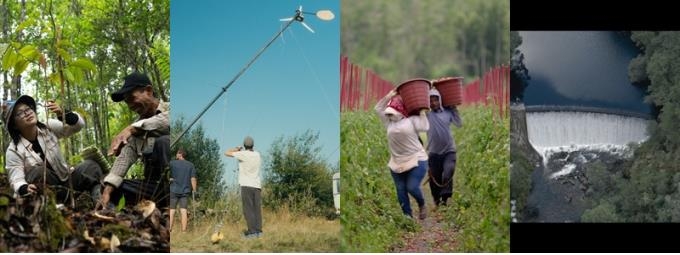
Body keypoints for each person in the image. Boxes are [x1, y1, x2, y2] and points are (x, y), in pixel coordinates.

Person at [4, 95, 103, 203]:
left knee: (91, 166)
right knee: (38, 171)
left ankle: (100, 202)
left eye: (28, 109)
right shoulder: (13, 150)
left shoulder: (48, 127)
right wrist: (24, 188)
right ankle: (54, 208)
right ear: (14, 125)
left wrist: (63, 113)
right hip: (46, 192)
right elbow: (16, 179)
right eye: (20, 113)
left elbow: (78, 126)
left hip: (67, 181)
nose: (27, 113)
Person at [98, 72, 170, 209]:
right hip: (154, 187)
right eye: (127, 102)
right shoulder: (135, 131)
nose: (130, 105)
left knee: (163, 142)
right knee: (111, 187)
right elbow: (123, 159)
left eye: (132, 98)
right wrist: (108, 189)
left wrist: (132, 129)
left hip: (177, 183)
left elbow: (167, 121)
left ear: (148, 91)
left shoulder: (170, 109)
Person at [375, 89, 430, 220]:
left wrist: (422, 113)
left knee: (411, 187)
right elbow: (378, 108)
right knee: (400, 190)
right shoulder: (388, 122)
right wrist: (389, 95)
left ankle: (422, 204)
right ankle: (407, 218)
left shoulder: (412, 120)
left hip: (417, 159)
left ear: (401, 111)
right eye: (389, 113)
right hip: (397, 161)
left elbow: (425, 127)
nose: (390, 115)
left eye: (393, 113)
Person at [426, 87, 462, 207]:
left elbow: (459, 124)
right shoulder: (427, 115)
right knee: (434, 179)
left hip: (449, 151)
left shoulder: (448, 112)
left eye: (436, 100)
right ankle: (436, 200)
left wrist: (454, 109)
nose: (433, 103)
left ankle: (445, 199)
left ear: (440, 100)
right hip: (434, 152)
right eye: (430, 100)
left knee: (448, 173)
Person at [225, 136, 263, 238]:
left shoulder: (243, 154)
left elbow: (226, 153)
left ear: (245, 145)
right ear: (253, 145)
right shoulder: (257, 154)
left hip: (246, 185)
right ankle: (259, 231)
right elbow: (252, 153)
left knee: (248, 209)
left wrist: (236, 149)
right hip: (257, 185)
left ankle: (252, 232)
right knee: (257, 209)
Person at [169, 148, 197, 232]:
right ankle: (184, 231)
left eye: (177, 153)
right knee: (184, 210)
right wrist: (194, 190)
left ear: (180, 154)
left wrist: (169, 179)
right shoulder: (190, 165)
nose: (176, 155)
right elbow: (193, 179)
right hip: (185, 191)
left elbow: (165, 172)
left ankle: (169, 229)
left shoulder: (172, 163)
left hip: (173, 190)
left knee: (172, 210)